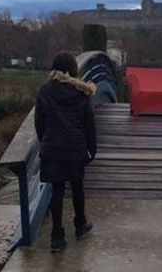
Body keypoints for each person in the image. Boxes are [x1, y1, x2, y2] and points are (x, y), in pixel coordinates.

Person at [35, 51, 98, 253]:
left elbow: (39, 123)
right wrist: (91, 149)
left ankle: (57, 236)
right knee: (78, 187)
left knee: (57, 190)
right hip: (76, 148)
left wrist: (46, 141)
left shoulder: (45, 91)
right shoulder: (82, 92)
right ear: (73, 70)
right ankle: (80, 224)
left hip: (53, 149)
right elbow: (89, 124)